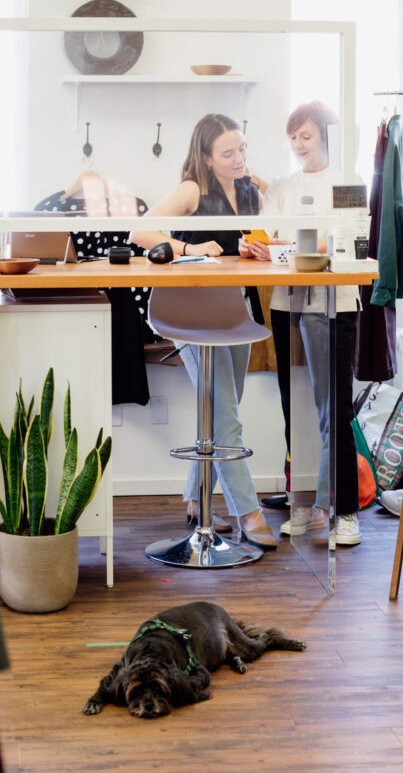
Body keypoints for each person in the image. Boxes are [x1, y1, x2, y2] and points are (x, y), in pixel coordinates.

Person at [130, 112, 277, 550]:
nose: (239, 159)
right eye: (228, 153)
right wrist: (190, 247)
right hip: (188, 314)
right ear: (207, 158)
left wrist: (257, 248)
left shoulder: (250, 191)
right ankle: (248, 512)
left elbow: (268, 235)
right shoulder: (193, 189)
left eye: (243, 149)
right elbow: (140, 230)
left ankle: (196, 498)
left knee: (218, 411)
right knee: (226, 414)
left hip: (233, 310)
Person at [240, 101, 362, 546]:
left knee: (335, 412)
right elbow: (265, 237)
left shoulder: (347, 182)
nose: (297, 145)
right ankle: (303, 503)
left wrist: (285, 244)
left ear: (328, 136)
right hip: (287, 303)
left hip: (335, 303)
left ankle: (343, 511)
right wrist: (284, 244)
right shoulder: (281, 186)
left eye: (305, 136)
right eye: (292, 137)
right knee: (296, 411)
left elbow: (344, 238)